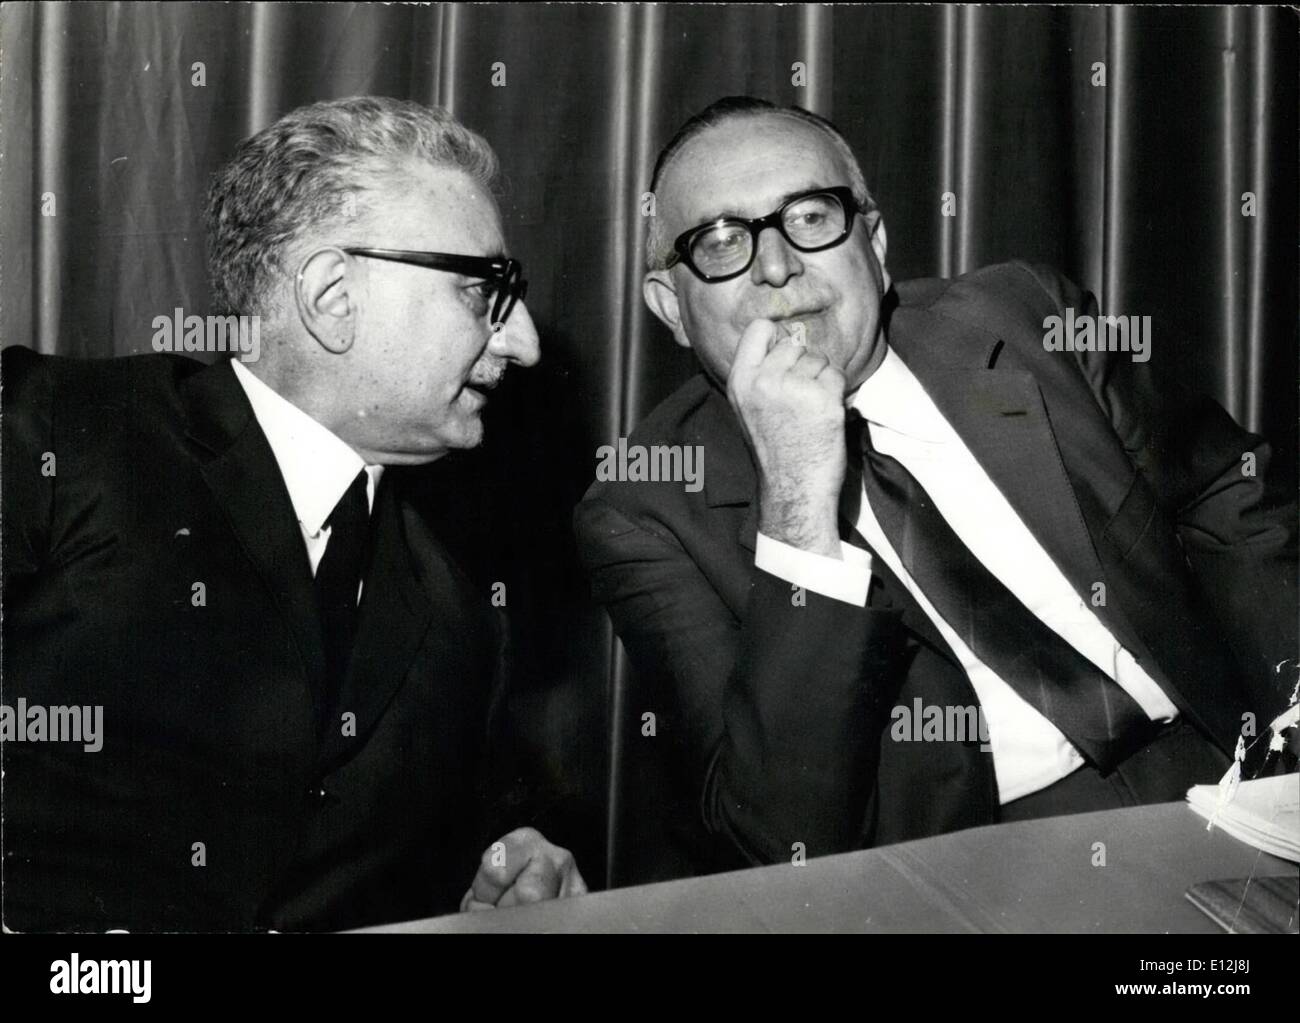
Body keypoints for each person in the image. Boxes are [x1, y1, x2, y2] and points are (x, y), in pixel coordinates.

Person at [574, 96, 1297, 872]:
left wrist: (1291, 717)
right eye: (721, 242)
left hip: (1231, 769)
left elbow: (1225, 493)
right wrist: (797, 504)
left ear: (875, 244)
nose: (778, 267)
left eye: (812, 217)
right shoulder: (642, 512)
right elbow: (782, 838)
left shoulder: (1024, 316)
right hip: (978, 868)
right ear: (670, 309)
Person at [2, 96, 586, 931]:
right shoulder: (53, 434)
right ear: (332, 295)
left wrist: (500, 872)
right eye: (480, 289)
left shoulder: (460, 617)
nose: (523, 341)